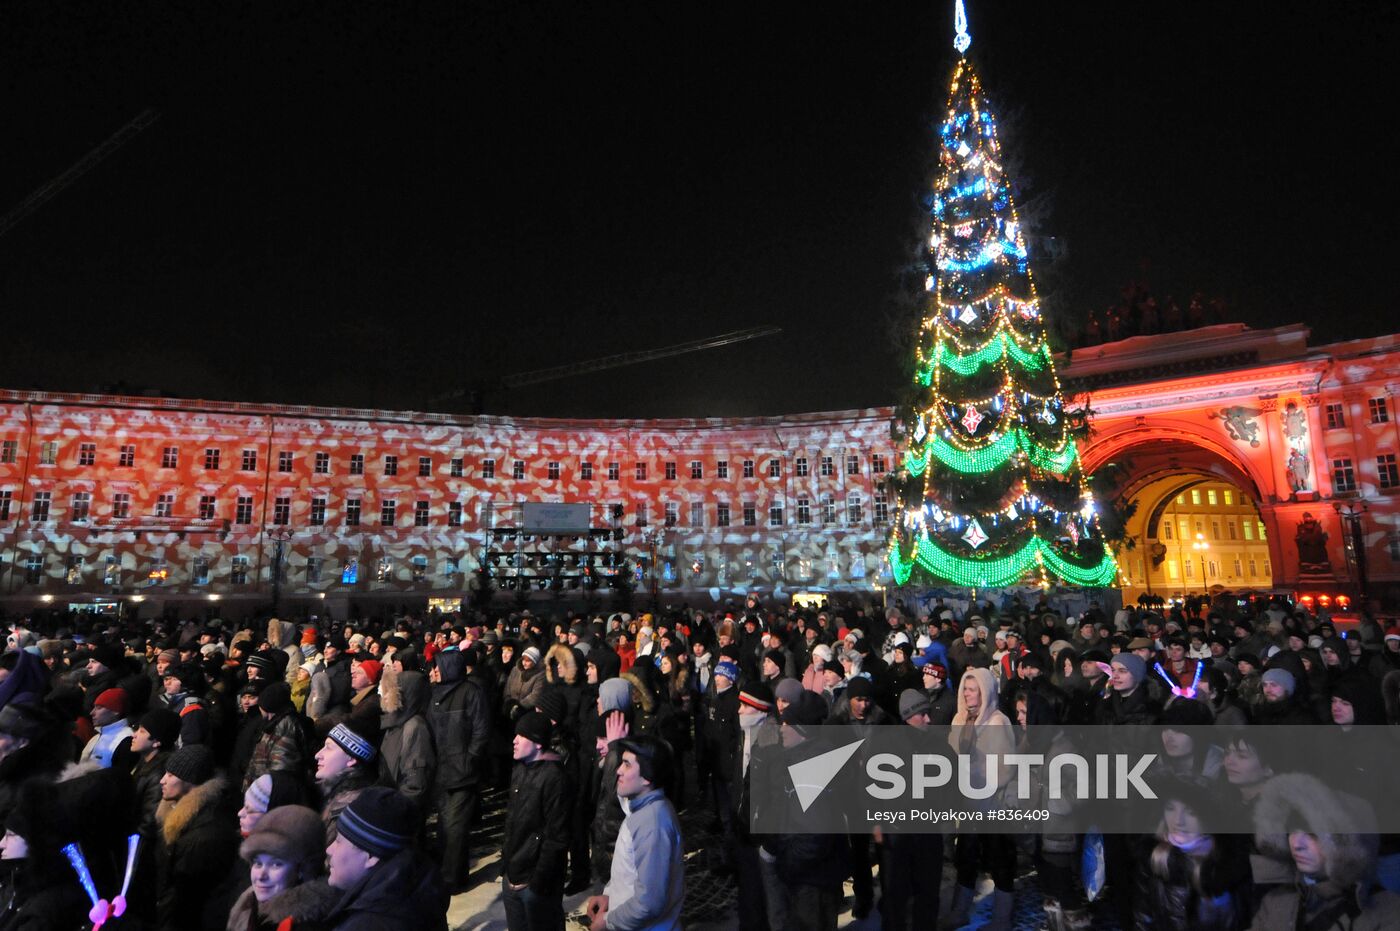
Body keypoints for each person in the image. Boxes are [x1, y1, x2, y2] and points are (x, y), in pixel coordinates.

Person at [1250, 773, 1400, 929]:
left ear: (1344, 846)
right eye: (1292, 830)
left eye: (1313, 834)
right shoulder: (1275, 902)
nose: (1296, 844)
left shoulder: (1388, 912)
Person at [586, 736, 684, 931]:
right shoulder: (641, 810)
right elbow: (630, 872)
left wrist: (608, 920)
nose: (619, 771)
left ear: (647, 776)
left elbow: (649, 902)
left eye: (627, 765)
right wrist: (609, 895)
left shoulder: (653, 823)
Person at [323, 787, 448, 930]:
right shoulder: (417, 886)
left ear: (371, 856)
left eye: (338, 842)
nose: (329, 849)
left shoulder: (367, 925)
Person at [427, 648, 491, 892]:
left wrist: (470, 759)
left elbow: (481, 729)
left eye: (437, 667)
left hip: (463, 772)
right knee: (445, 827)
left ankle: (452, 880)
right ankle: (452, 874)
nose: (432, 671)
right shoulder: (434, 694)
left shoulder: (471, 692)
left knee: (455, 828)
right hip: (441, 771)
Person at [155, 745, 240, 930]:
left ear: (190, 780)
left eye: (170, 775)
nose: (162, 780)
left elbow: (184, 897)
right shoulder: (180, 813)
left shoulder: (204, 833)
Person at [501, 712, 572, 931]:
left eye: (521, 736)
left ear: (538, 743)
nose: (514, 740)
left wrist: (537, 882)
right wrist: (507, 867)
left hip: (536, 885)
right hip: (513, 876)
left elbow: (557, 837)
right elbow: (513, 822)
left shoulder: (554, 777)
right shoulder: (520, 769)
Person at [227, 804, 338, 931]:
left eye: (276, 864)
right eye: (258, 863)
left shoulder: (303, 925)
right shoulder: (250, 905)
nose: (261, 875)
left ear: (303, 869)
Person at [316, 722, 380, 832]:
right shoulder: (332, 792)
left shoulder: (351, 808)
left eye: (329, 748)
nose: (317, 755)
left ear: (351, 759)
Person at [79, 687, 134, 768]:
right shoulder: (97, 736)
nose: (92, 713)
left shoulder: (126, 739)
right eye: (94, 707)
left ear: (116, 711)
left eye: (99, 708)